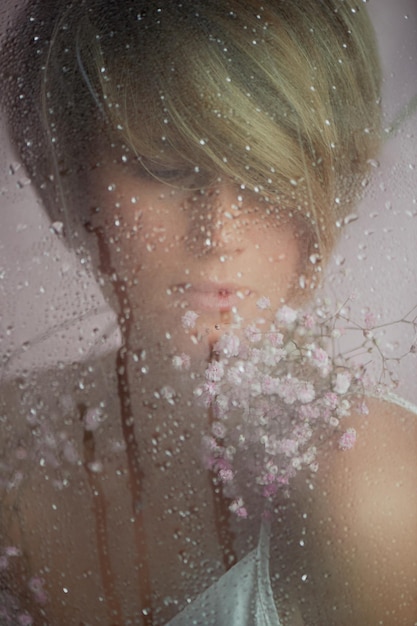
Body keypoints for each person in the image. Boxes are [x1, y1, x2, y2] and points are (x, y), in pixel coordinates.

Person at [0, 0, 416, 624]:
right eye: (161, 168)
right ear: (70, 177)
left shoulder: (369, 490)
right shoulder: (15, 439)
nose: (219, 233)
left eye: (265, 173)